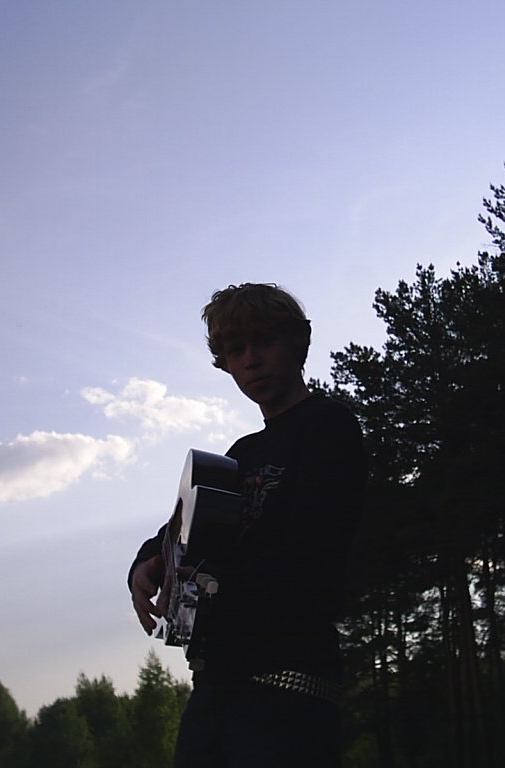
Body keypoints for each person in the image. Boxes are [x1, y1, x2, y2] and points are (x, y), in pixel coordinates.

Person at [127, 283, 368, 767]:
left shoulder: (329, 427)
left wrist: (211, 586)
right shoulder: (241, 454)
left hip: (290, 685)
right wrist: (145, 564)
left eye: (264, 342)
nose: (251, 360)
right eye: (236, 350)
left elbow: (312, 553)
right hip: (215, 687)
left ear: (299, 342)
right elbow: (180, 530)